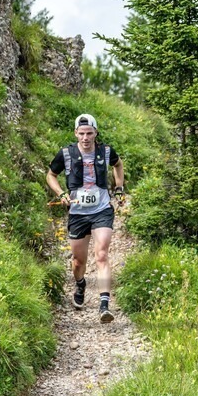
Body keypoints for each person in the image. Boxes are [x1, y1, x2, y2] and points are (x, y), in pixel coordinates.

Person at [46, 114, 125, 323]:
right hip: (78, 213)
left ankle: (104, 304)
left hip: (101, 210)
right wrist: (61, 194)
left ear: (96, 133)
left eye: (89, 133)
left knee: (101, 254)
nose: (85, 138)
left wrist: (119, 188)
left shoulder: (106, 151)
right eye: (81, 134)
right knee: (79, 261)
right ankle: (80, 283)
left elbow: (118, 165)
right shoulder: (66, 153)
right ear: (75, 133)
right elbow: (50, 175)